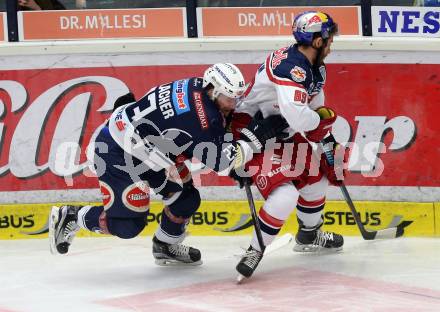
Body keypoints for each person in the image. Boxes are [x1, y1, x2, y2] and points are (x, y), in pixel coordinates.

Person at [49, 63, 288, 266]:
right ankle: (72, 215)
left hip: (150, 149)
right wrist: (254, 139)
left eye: (237, 98)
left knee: (186, 199)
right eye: (229, 98)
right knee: (127, 226)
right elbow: (222, 163)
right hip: (118, 152)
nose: (234, 104)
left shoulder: (199, 85)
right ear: (213, 91)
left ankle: (164, 245)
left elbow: (204, 133)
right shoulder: (204, 117)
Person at [231, 11, 348, 279]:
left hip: (280, 130)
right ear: (317, 41)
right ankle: (255, 249)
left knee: (316, 183)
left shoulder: (315, 66)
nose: (331, 45)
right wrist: (319, 124)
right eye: (329, 40)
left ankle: (308, 235)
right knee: (285, 195)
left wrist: (326, 139)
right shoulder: (290, 69)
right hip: (252, 133)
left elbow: (314, 104)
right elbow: (298, 114)